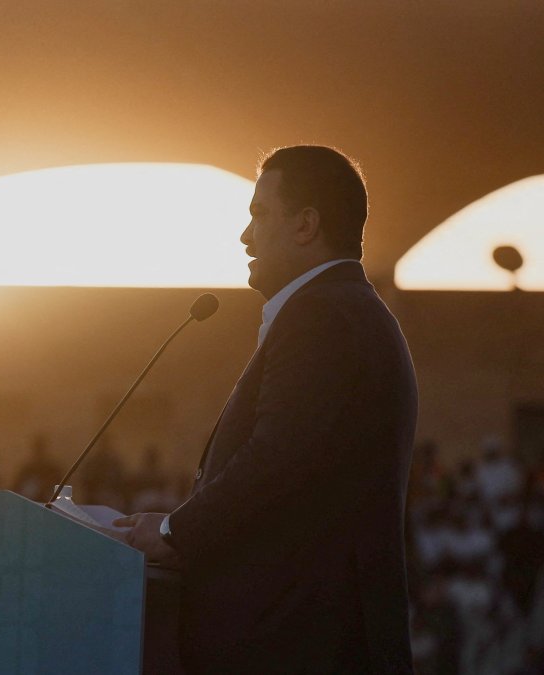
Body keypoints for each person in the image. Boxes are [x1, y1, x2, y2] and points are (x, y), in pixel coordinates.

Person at [116, 145, 418, 672]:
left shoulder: (321, 318)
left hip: (297, 642)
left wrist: (173, 534)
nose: (245, 235)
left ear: (305, 225)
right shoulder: (349, 311)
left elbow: (276, 458)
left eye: (258, 214)